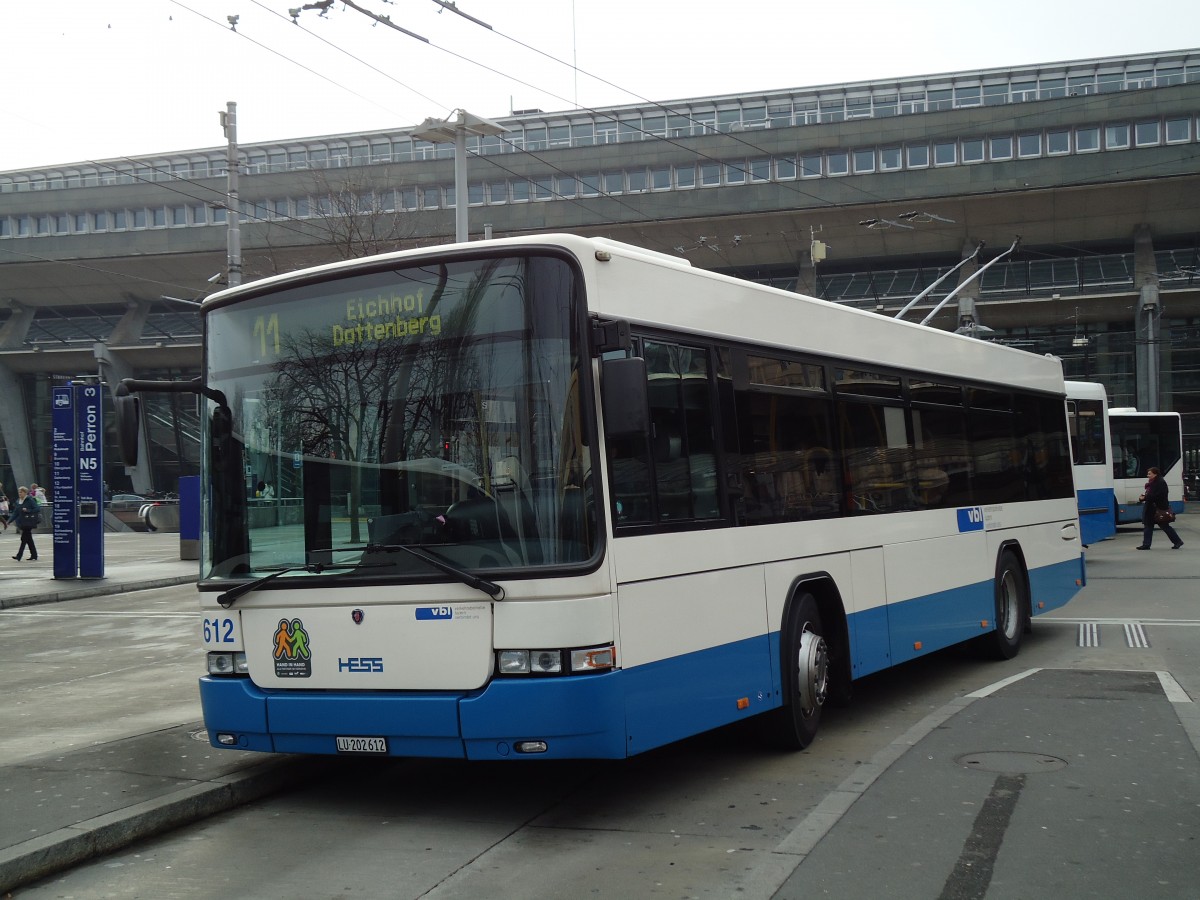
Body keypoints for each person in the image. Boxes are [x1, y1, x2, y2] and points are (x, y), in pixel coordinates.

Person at [1136, 467, 1183, 550]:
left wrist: (1144, 498)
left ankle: (1177, 541)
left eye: (1150, 474)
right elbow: (1151, 494)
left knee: (1164, 526)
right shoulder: (1153, 483)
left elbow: (1156, 495)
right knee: (1148, 526)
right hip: (1152, 508)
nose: (1148, 475)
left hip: (1158, 508)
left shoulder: (1160, 482)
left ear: (1155, 474)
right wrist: (1145, 497)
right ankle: (1146, 544)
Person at [8, 486, 40, 561]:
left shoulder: (29, 500)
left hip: (29, 522)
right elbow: (15, 513)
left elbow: (37, 508)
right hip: (22, 523)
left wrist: (28, 510)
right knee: (29, 539)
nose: (20, 494)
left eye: (21, 492)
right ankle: (34, 555)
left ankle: (19, 555)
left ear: (25, 493)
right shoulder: (18, 501)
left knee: (23, 538)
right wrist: (9, 521)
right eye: (19, 492)